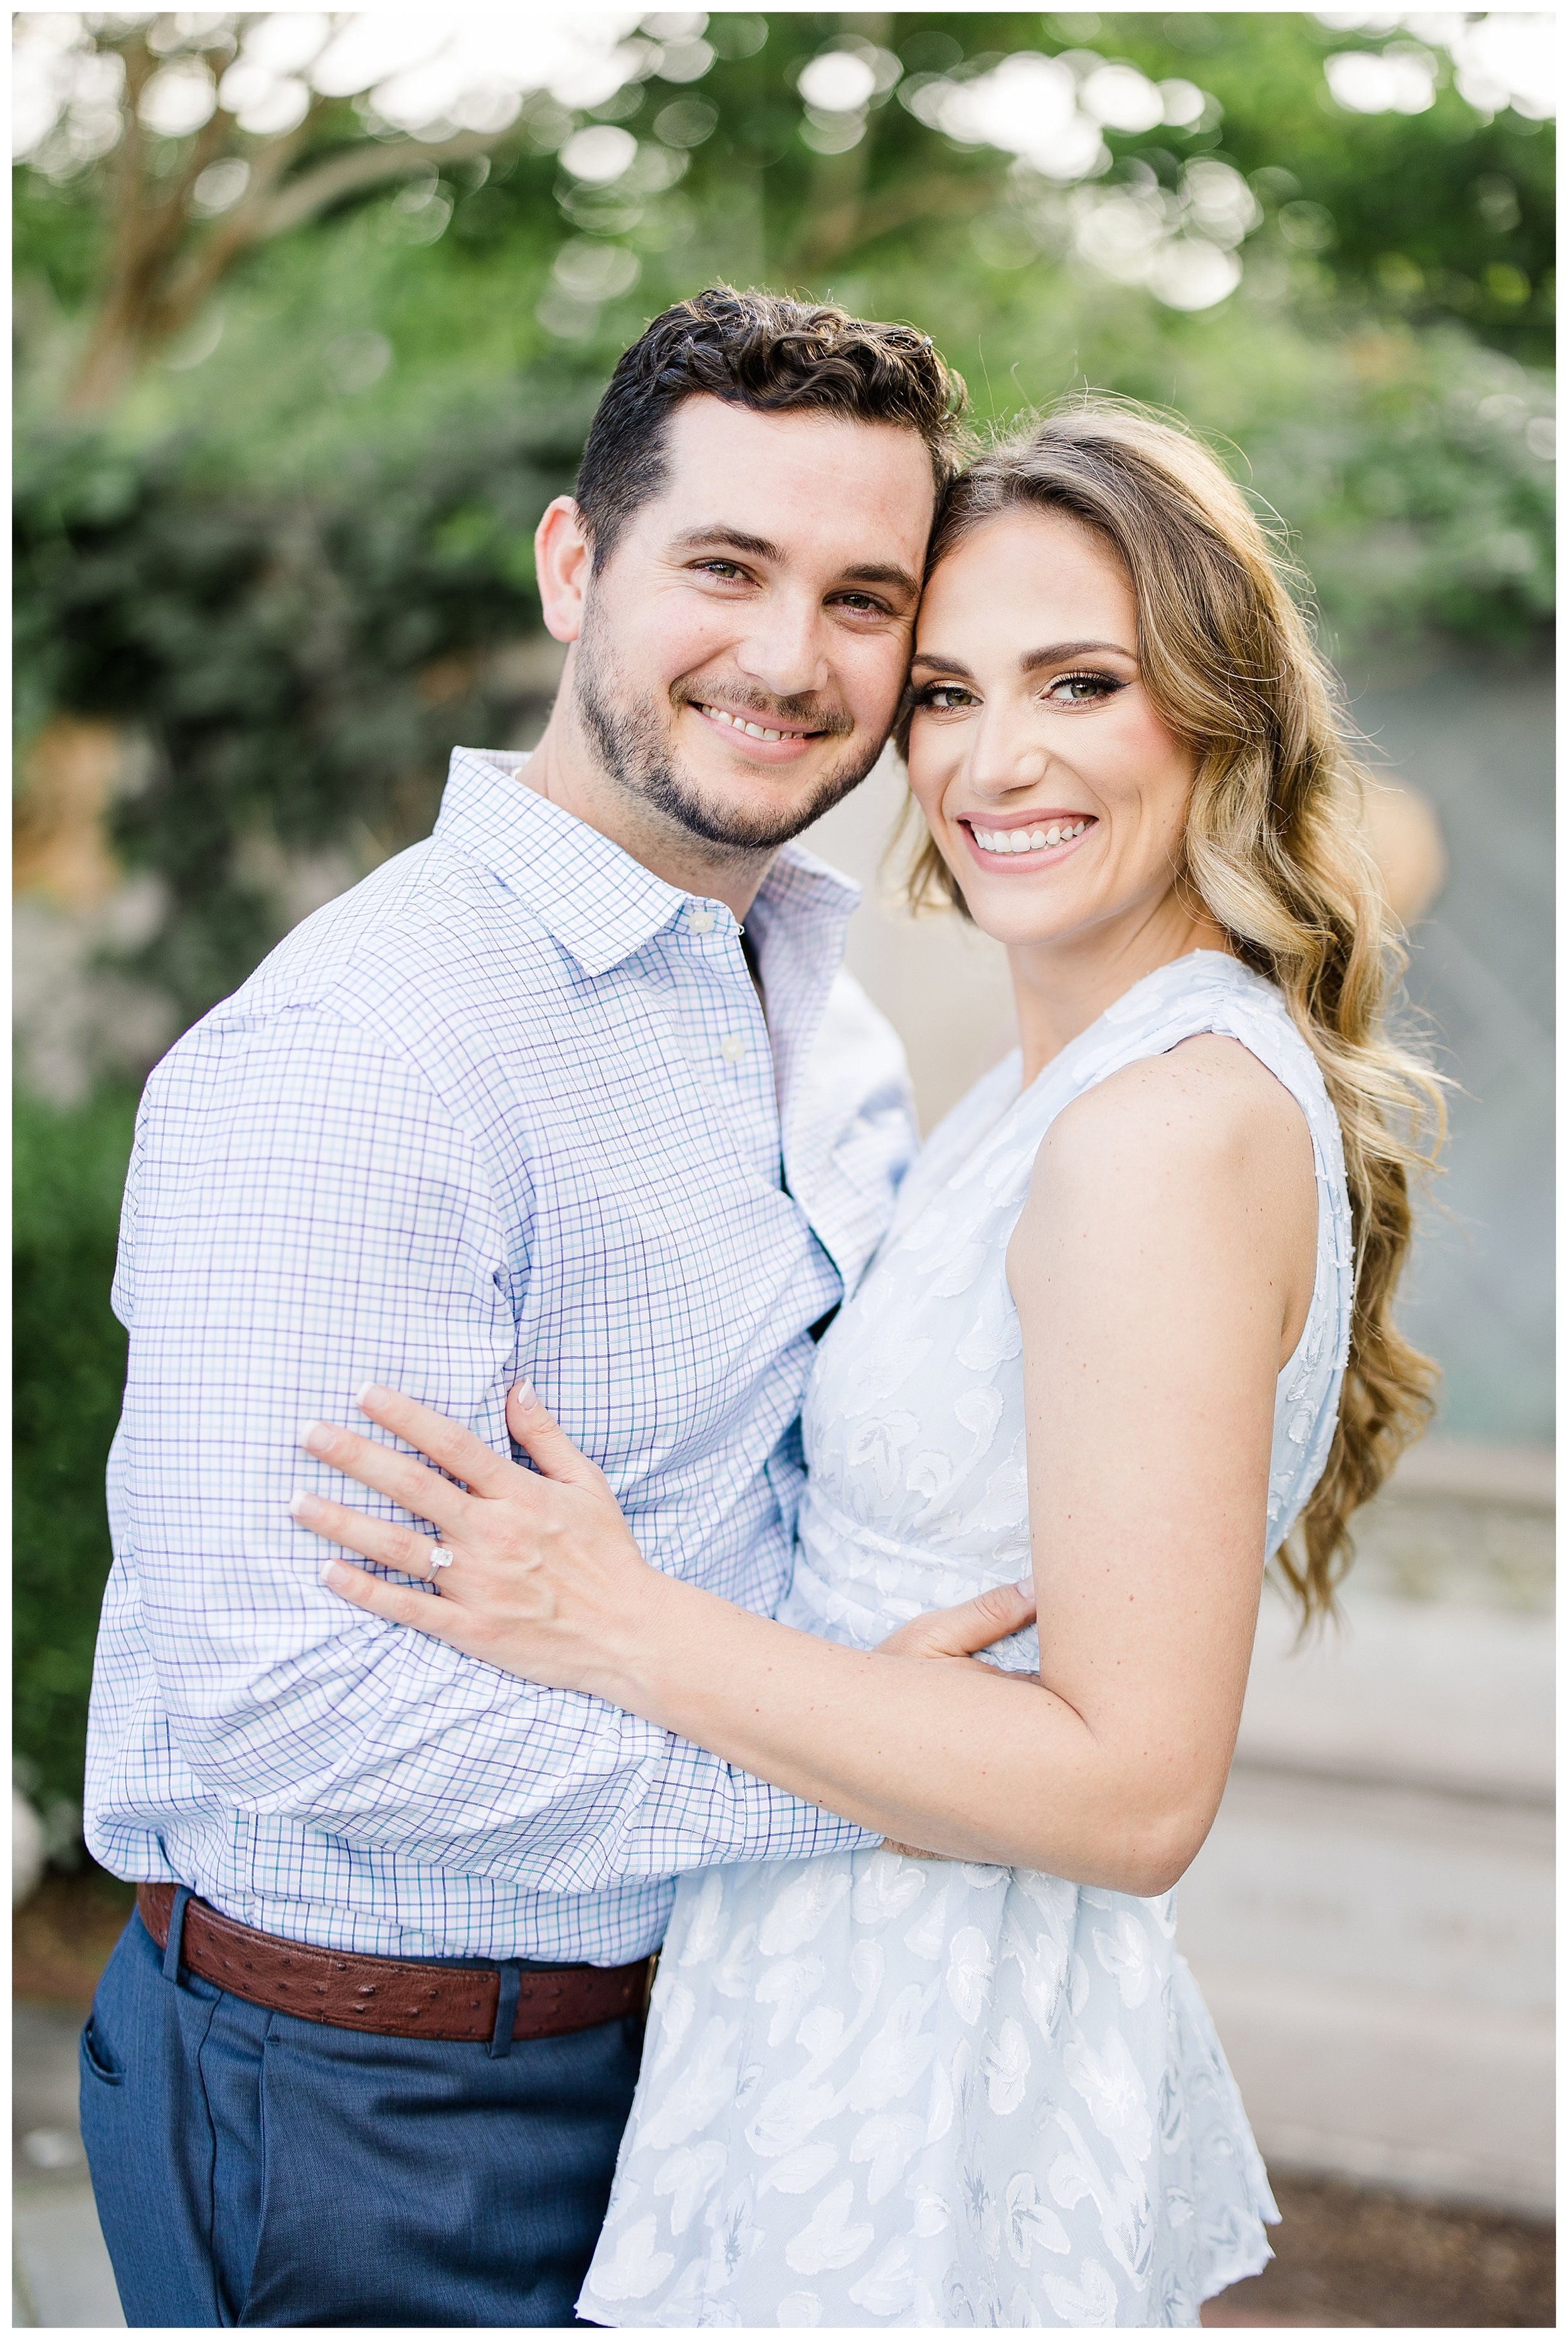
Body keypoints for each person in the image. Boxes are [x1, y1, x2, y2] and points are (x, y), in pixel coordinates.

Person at [305, 404, 1443, 2327]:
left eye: (1080, 683)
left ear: (1216, 706)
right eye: (941, 691)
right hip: (829, 1981)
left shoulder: (1155, 1125)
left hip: (924, 2038)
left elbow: (1130, 1789)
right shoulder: (1062, 1077)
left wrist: (618, 1621)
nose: (993, 762)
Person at [78, 288, 984, 2329]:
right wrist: (877, 1772)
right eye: (724, 567)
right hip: (378, 2104)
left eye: (862, 597)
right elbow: (287, 1690)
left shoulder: (810, 1008)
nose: (787, 655)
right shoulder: (365, 1049)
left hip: (705, 2041)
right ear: (576, 566)